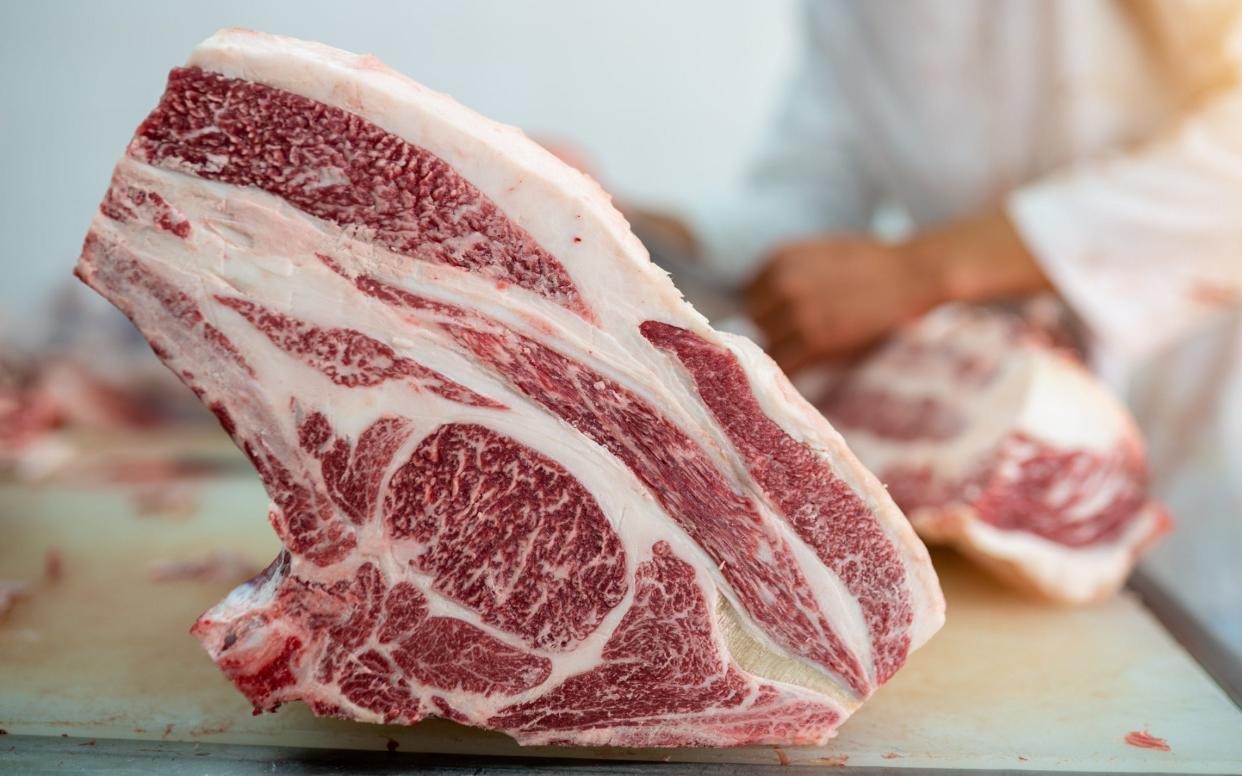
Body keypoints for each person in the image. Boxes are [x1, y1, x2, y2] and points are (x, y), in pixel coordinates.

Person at [635, 0, 1242, 650]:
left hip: (1191, 464)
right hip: (972, 469)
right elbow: (812, 194)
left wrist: (923, 269)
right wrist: (642, 230)